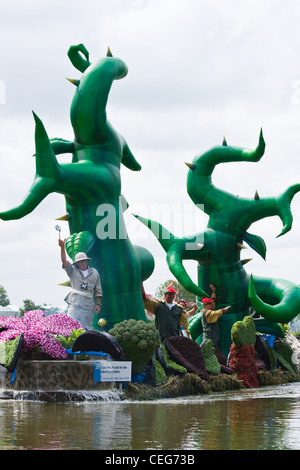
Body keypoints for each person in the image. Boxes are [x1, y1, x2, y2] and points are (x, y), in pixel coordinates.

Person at [58, 238, 103, 330]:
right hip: (75, 303)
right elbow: (64, 261)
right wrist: (62, 247)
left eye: (83, 260)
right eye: (79, 261)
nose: (81, 263)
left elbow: (98, 290)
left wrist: (98, 304)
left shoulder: (94, 273)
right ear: (77, 263)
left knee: (86, 328)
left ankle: (87, 344)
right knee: (70, 325)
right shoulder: (72, 271)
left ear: (87, 261)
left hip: (88, 304)